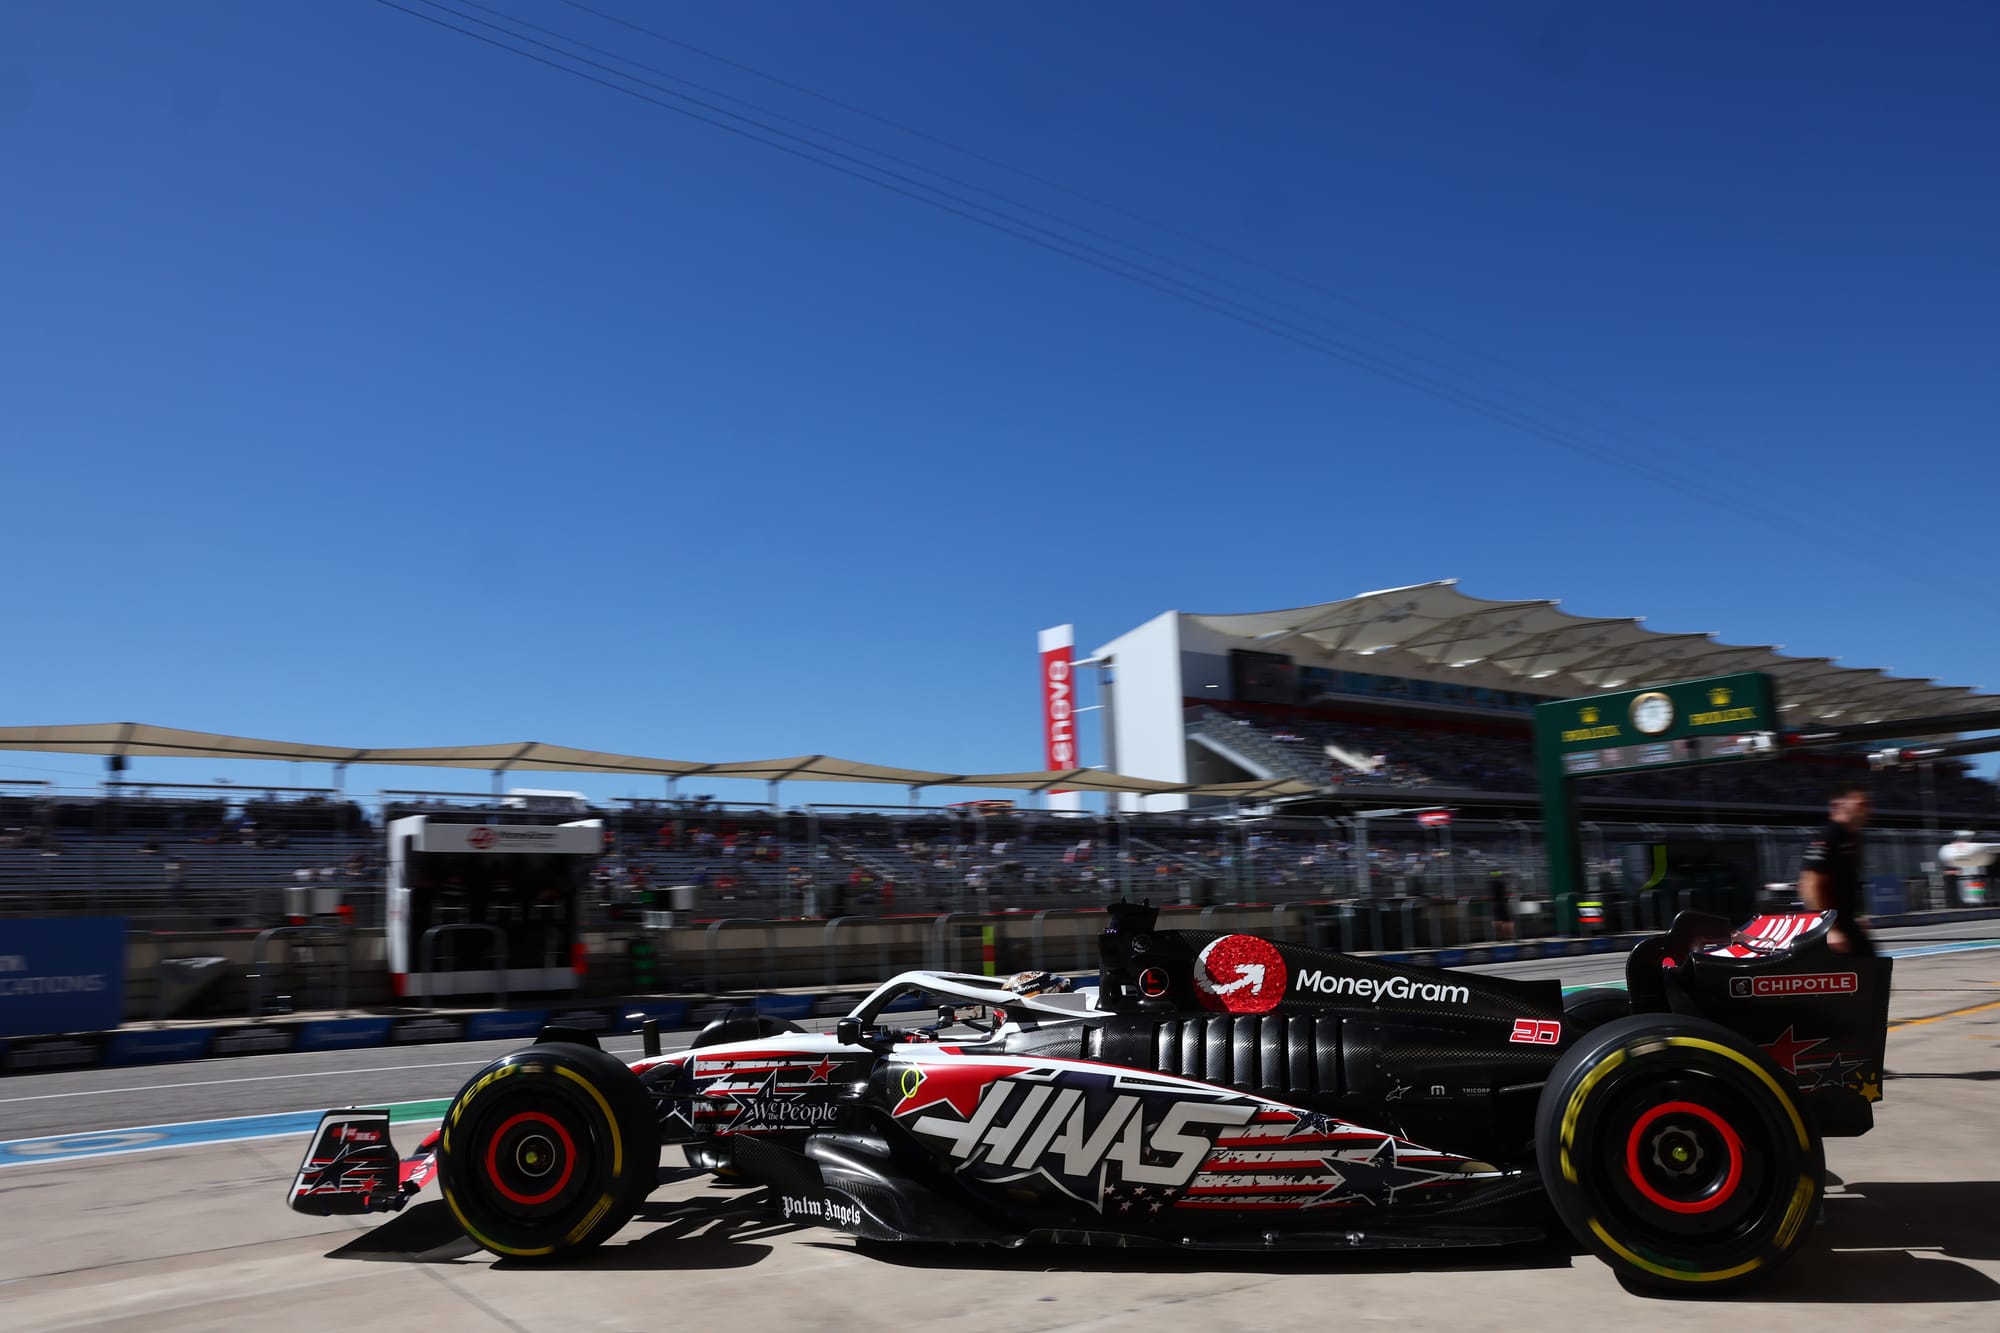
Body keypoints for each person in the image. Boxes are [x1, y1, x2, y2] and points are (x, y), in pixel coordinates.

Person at [1799, 784, 1875, 956]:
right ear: (1840, 805)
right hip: (1833, 927)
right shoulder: (1829, 835)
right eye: (1861, 804)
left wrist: (1860, 915)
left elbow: (1852, 883)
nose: (1867, 810)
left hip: (1848, 922)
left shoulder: (1854, 837)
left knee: (1874, 972)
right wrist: (1829, 929)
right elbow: (1809, 884)